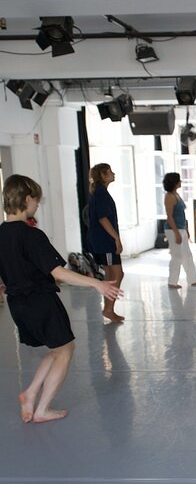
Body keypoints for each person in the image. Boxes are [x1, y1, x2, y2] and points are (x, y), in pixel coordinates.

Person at [0, 174, 122, 423]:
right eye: (37, 200)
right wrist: (96, 283)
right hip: (40, 301)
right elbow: (58, 273)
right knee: (65, 351)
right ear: (27, 199)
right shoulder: (31, 235)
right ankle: (42, 409)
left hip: (17, 304)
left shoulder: (1, 234)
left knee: (58, 349)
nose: (37, 205)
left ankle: (30, 394)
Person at [87, 163, 125, 322]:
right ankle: (109, 309)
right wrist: (116, 238)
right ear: (103, 175)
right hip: (105, 241)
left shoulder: (99, 192)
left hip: (101, 240)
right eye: (110, 171)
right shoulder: (101, 193)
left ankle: (108, 309)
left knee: (110, 274)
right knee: (117, 274)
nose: (113, 173)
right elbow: (103, 219)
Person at [163, 172, 196, 289]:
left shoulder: (176, 194)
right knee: (176, 256)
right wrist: (177, 233)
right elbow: (170, 217)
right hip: (173, 230)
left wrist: (186, 229)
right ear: (174, 182)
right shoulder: (169, 196)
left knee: (187, 255)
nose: (180, 182)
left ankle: (193, 279)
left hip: (181, 228)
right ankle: (172, 282)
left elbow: (181, 214)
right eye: (179, 180)